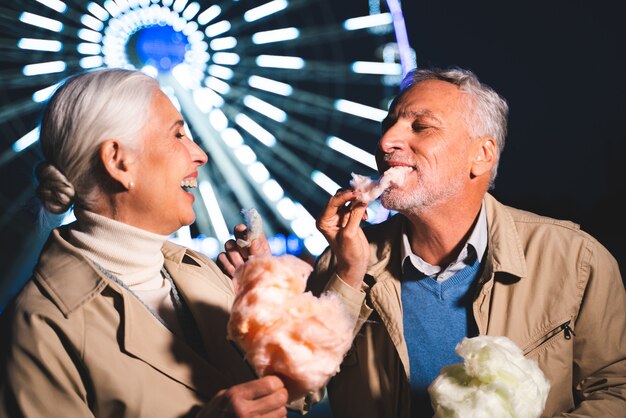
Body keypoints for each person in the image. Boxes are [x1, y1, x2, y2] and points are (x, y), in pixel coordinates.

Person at [308, 67, 626, 417]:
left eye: (421, 126)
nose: (385, 142)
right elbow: (297, 394)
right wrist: (348, 277)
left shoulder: (577, 260)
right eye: (388, 125)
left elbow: (616, 391)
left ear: (482, 155)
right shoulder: (344, 262)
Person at [0, 68, 288, 418]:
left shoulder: (202, 272)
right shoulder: (40, 326)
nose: (200, 154)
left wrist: (268, 292)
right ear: (119, 162)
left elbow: (297, 391)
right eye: (178, 134)